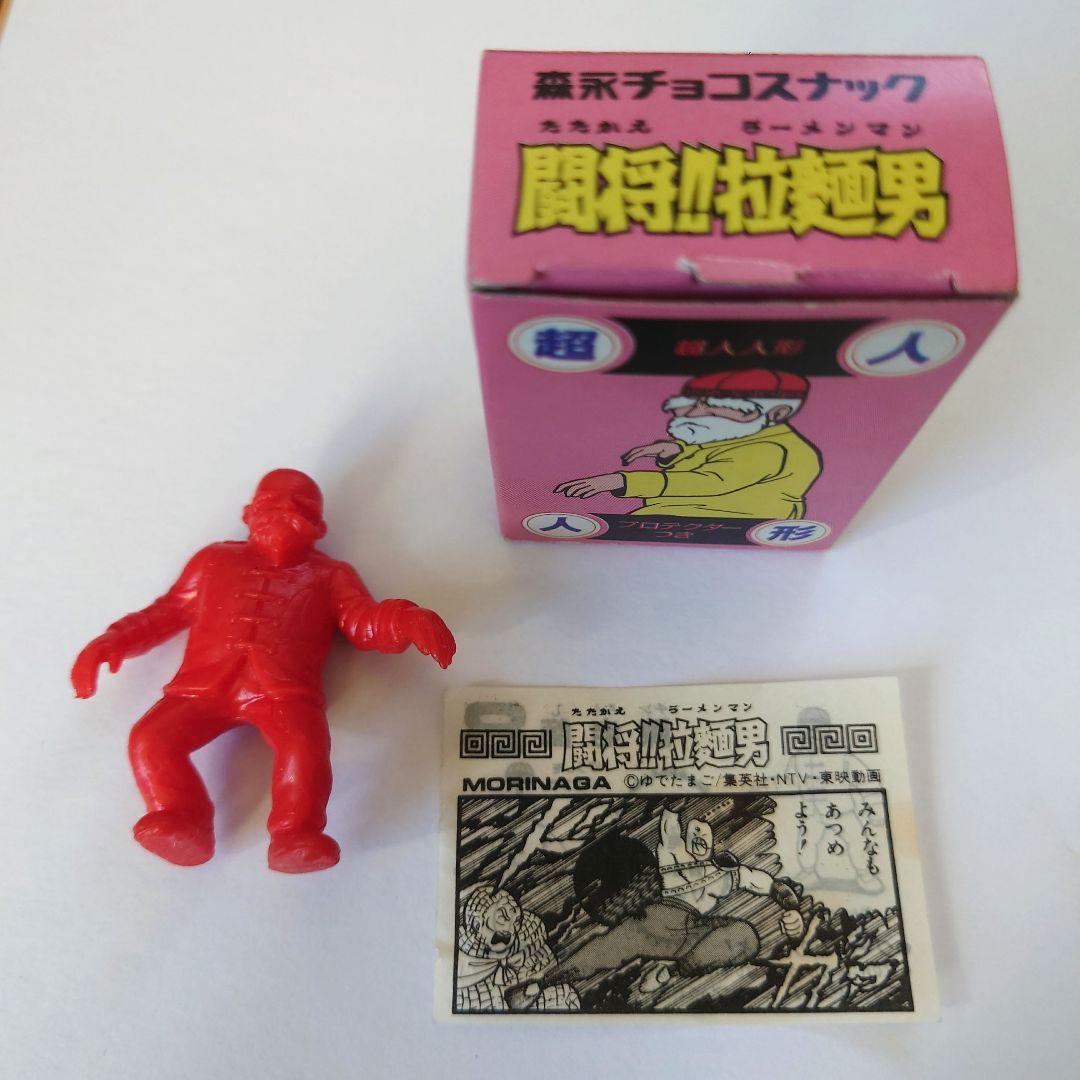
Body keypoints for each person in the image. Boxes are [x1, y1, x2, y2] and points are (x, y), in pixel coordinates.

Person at [71, 469, 455, 873]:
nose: (284, 513)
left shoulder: (330, 575)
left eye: (299, 508)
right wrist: (114, 640)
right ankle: (181, 817)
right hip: (201, 689)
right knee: (150, 740)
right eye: (272, 505)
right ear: (248, 512)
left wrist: (405, 619)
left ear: (319, 527)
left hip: (284, 693)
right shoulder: (213, 561)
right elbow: (167, 611)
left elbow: (362, 621)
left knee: (303, 746)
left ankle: (296, 833)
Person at [555, 368, 822, 520]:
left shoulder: (770, 449)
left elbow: (710, 482)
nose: (695, 414)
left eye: (717, 408)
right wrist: (676, 453)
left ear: (777, 413)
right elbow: (715, 456)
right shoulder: (745, 434)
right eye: (696, 405)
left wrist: (623, 481)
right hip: (688, 515)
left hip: (730, 520)